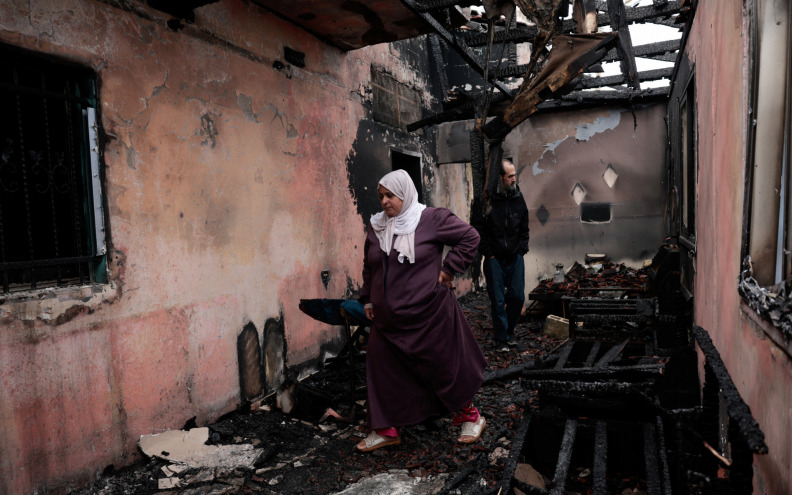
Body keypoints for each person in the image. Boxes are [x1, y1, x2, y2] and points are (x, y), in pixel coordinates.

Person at [356, 169, 487, 452]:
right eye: (381, 196)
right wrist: (367, 299)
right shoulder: (377, 226)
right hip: (388, 320)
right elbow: (370, 266)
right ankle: (387, 428)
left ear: (405, 192)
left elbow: (470, 237)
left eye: (390, 195)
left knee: (443, 366)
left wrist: (449, 270)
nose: (384, 202)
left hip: (429, 314)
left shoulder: (431, 219)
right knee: (382, 369)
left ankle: (470, 416)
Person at [473, 159, 530, 347]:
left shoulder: (518, 197)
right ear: (500, 178)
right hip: (494, 258)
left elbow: (524, 226)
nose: (514, 179)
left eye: (515, 175)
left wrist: (522, 250)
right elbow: (477, 228)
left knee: (518, 297)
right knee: (497, 300)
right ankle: (502, 339)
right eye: (510, 176)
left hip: (515, 257)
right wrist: (488, 253)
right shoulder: (487, 200)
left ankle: (509, 330)